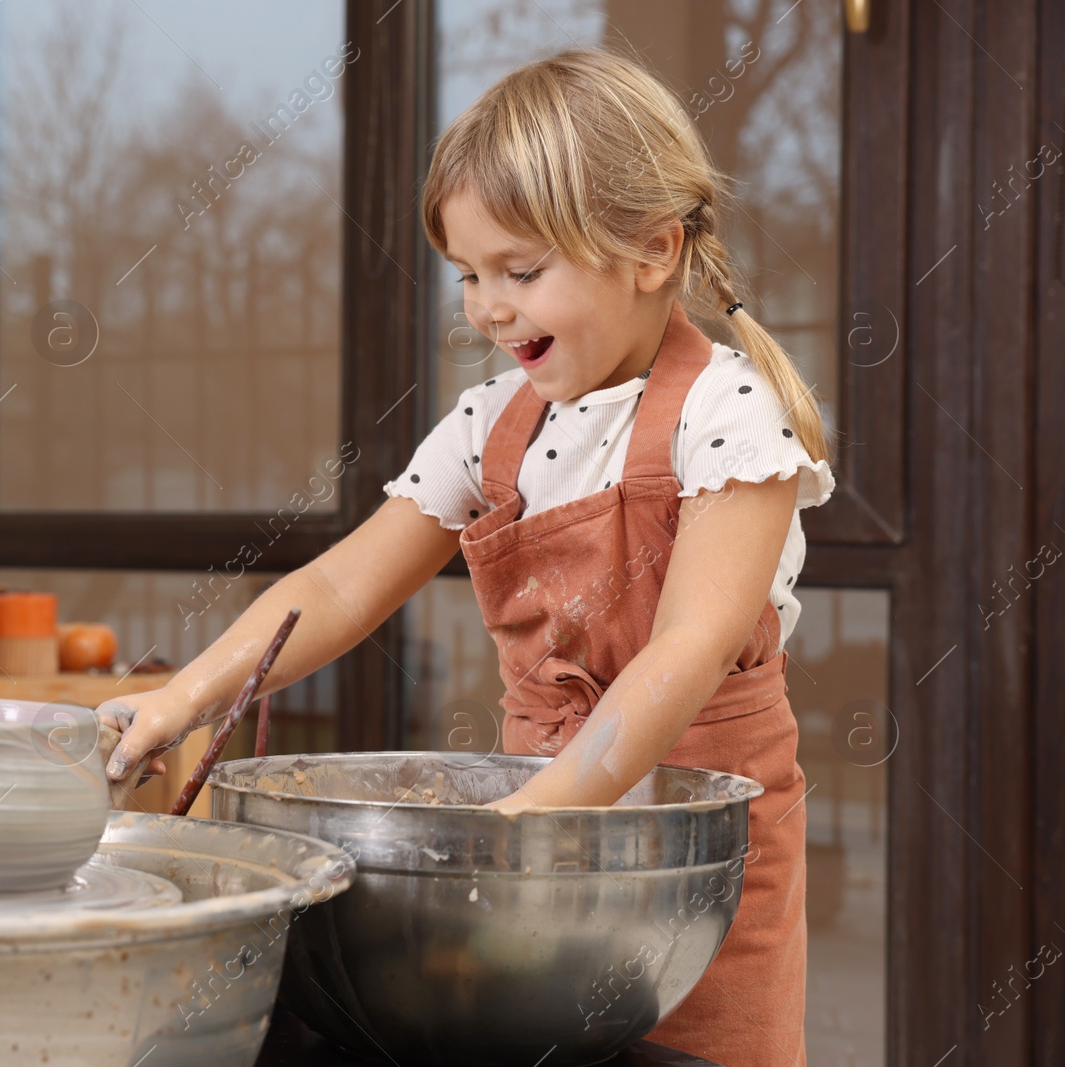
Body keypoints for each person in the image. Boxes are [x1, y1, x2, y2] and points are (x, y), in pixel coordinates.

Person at [98, 47, 831, 1067]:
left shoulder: (726, 416)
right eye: (469, 275)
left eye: (522, 271)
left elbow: (688, 649)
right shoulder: (493, 425)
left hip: (692, 876)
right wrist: (176, 701)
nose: (487, 307)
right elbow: (337, 585)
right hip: (528, 860)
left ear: (653, 249)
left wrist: (527, 819)